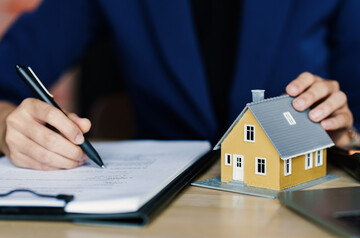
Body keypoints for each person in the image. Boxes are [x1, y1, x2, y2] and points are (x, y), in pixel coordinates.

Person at [0, 0, 358, 170]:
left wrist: (347, 136)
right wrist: (8, 127)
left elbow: (355, 117)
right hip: (164, 209)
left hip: (296, 198)